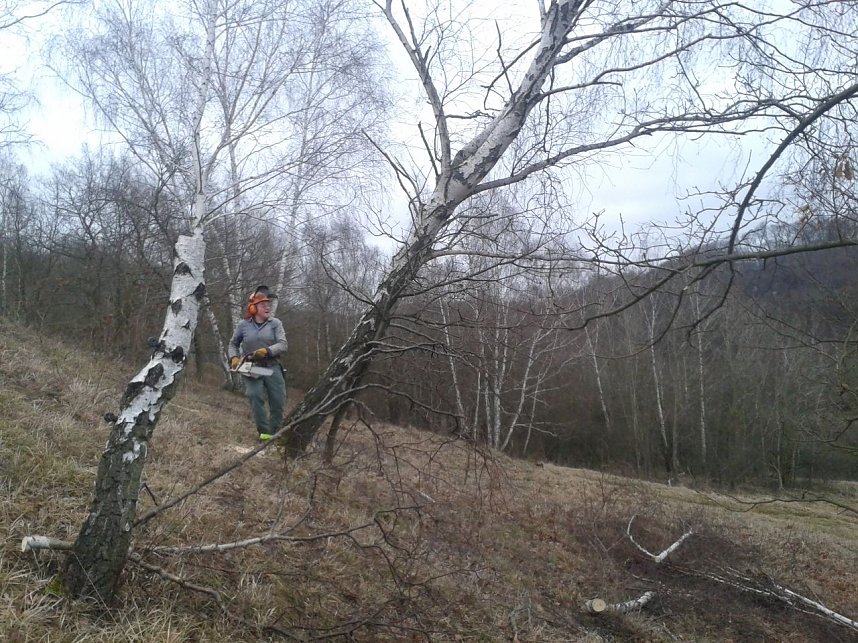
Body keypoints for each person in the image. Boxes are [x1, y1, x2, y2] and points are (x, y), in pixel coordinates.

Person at [228, 285, 288, 440]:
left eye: (268, 305)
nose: (267, 307)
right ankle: (264, 432)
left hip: (271, 366)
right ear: (253, 308)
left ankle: (274, 433)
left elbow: (283, 344)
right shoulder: (243, 325)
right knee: (255, 396)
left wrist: (266, 351)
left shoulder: (276, 324)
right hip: (252, 368)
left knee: (278, 400)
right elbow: (233, 343)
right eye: (263, 305)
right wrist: (233, 358)